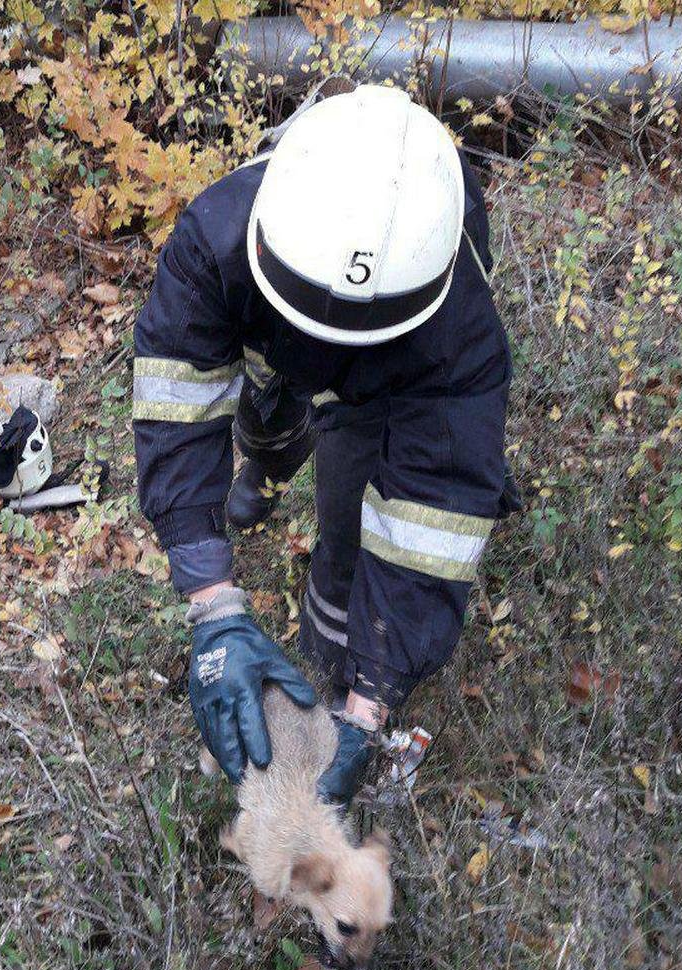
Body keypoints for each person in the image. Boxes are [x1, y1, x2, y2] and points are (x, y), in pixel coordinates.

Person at [131, 84, 519, 805]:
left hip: (393, 374)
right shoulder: (217, 239)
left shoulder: (455, 331)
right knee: (266, 421)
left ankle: (339, 664)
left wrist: (365, 709)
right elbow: (177, 406)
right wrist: (214, 607)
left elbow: (434, 508)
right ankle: (274, 453)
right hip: (269, 323)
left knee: (349, 517)